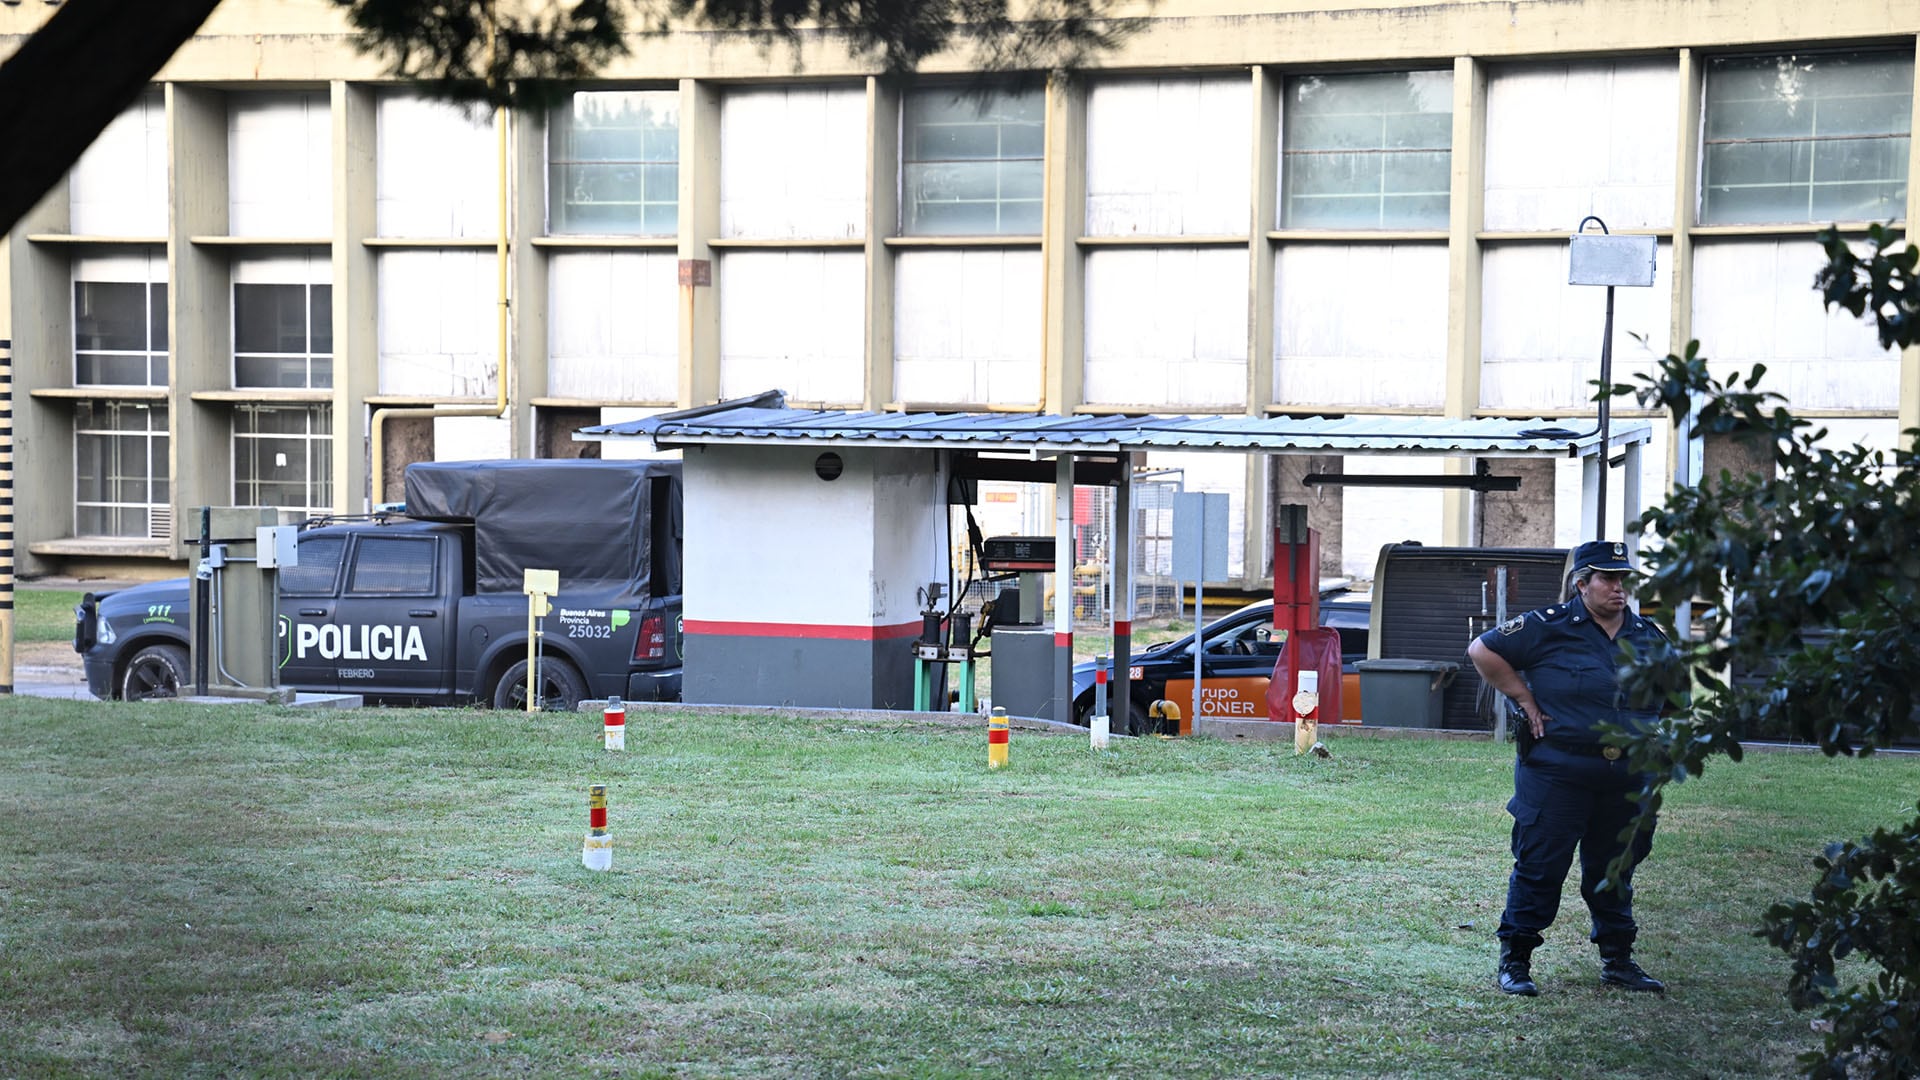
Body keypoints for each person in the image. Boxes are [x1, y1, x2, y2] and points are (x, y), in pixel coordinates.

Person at [1466, 539, 1668, 997]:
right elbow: (1482, 650)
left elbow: (1673, 699)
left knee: (1616, 870)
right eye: (1608, 579)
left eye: (1623, 579)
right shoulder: (1547, 626)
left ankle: (1618, 961)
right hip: (1557, 772)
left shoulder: (1649, 637)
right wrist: (1524, 698)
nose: (1618, 588)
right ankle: (1516, 961)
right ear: (1581, 584)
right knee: (1540, 867)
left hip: (1628, 778)